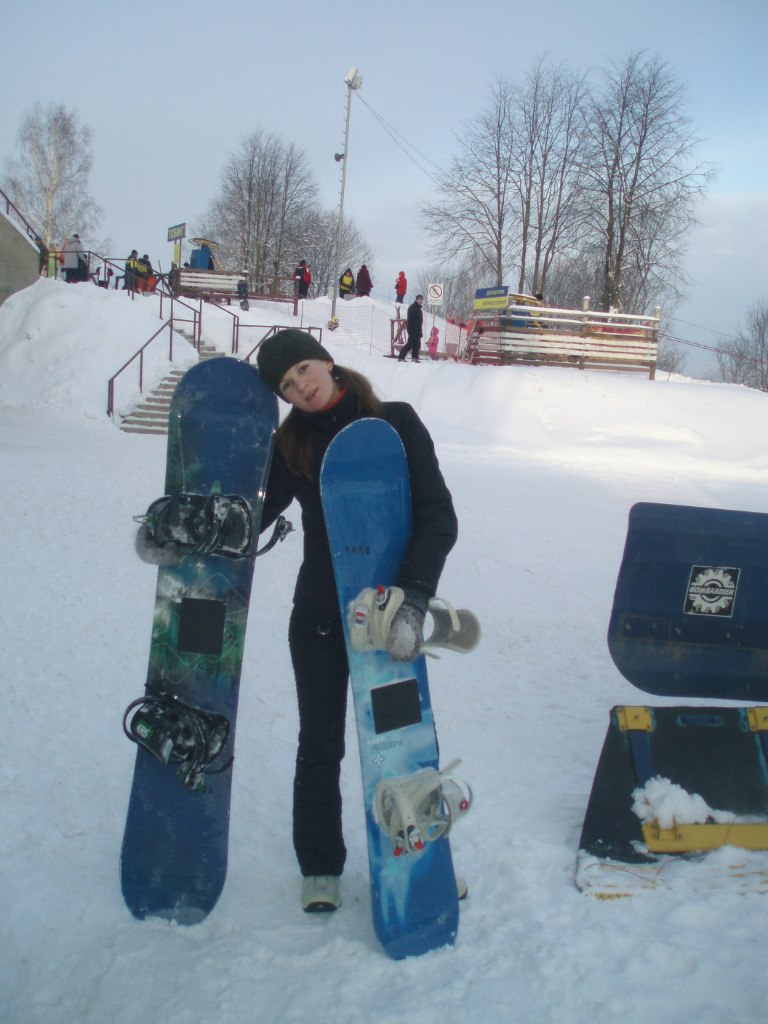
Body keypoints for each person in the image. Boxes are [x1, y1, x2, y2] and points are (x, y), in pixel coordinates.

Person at [256, 329, 458, 913]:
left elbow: (438, 516)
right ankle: (320, 866)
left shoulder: (395, 423)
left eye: (302, 369)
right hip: (320, 618)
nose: (301, 387)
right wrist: (195, 522)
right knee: (319, 743)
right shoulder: (290, 445)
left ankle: (426, 861)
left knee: (402, 744)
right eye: (286, 385)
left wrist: (413, 601)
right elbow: (254, 511)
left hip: (388, 618)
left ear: (326, 360)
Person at [398, 294, 424, 362]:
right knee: (410, 344)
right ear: (416, 299)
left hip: (417, 329)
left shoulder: (418, 308)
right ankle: (401, 357)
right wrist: (415, 328)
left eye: (422, 299)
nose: (421, 301)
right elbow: (411, 319)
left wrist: (419, 329)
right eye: (420, 299)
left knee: (417, 344)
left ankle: (414, 358)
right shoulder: (413, 307)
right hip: (413, 329)